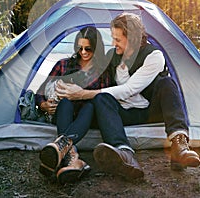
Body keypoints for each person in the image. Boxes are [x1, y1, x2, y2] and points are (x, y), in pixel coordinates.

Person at [55, 13, 200, 180]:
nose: (113, 43)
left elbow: (129, 89)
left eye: (117, 39)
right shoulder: (112, 56)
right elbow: (94, 77)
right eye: (113, 38)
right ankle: (124, 153)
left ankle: (179, 143)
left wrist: (82, 94)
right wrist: (66, 93)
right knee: (101, 98)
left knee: (167, 83)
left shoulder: (154, 56)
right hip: (121, 112)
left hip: (149, 111)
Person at [36, 26, 110, 184]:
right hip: (64, 113)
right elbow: (40, 90)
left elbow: (104, 98)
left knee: (90, 105)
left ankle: (64, 151)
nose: (83, 52)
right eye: (80, 48)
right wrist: (43, 105)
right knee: (66, 102)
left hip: (88, 116)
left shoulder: (102, 70)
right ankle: (73, 158)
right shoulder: (63, 65)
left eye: (88, 49)